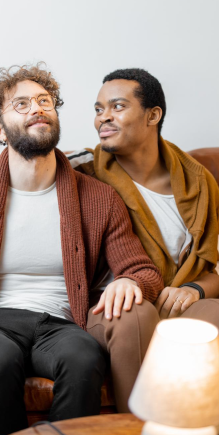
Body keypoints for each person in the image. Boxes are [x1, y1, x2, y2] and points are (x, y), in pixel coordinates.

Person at [0, 64, 164, 435]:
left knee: (84, 359)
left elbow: (144, 271)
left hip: (61, 324)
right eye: (21, 104)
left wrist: (131, 282)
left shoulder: (99, 198)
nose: (37, 108)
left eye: (44, 101)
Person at [67, 68, 219, 412]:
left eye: (117, 106)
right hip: (109, 307)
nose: (103, 117)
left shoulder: (199, 182)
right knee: (132, 313)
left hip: (175, 301)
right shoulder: (80, 171)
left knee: (213, 313)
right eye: (98, 109)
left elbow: (213, 269)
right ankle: (134, 426)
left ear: (153, 115)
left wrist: (193, 290)